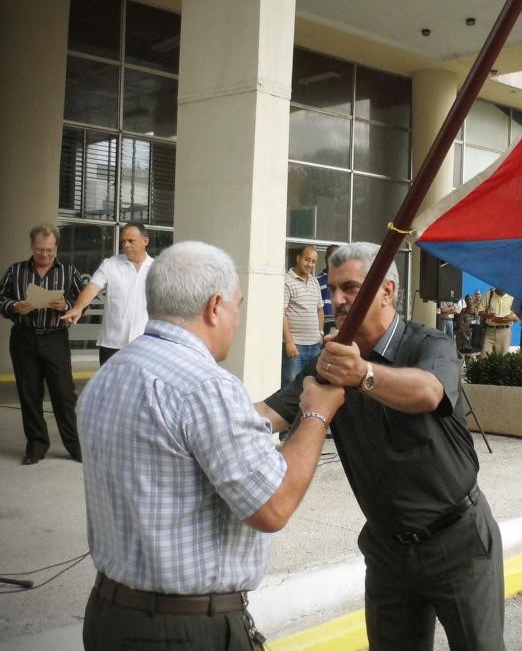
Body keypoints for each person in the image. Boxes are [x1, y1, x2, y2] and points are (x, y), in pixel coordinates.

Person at [78, 241, 346, 651]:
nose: (237, 320)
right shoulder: (207, 386)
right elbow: (272, 506)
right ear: (215, 306)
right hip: (184, 630)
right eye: (237, 306)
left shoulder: (112, 373)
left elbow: (189, 440)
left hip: (108, 616)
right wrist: (316, 415)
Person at [257, 242, 505, 651]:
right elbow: (266, 414)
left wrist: (363, 375)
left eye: (351, 287)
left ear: (387, 291)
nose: (337, 299)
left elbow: (430, 392)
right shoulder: (330, 365)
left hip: (458, 542)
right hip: (388, 551)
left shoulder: (428, 345)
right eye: (333, 288)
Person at [0, 223, 83, 465]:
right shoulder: (16, 271)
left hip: (55, 337)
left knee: (64, 394)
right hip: (24, 338)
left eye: (49, 250)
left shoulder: (69, 271)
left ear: (57, 246)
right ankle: (36, 445)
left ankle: (74, 445)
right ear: (31, 246)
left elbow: (82, 300)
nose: (44, 255)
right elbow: (1, 297)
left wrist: (67, 305)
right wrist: (14, 306)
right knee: (29, 393)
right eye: (39, 250)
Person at [61, 222, 154, 364]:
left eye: (131, 241)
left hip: (145, 345)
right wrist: (78, 307)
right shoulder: (110, 264)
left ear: (145, 241)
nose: (126, 245)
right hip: (112, 344)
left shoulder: (158, 268)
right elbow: (92, 287)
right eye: (123, 241)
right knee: (110, 386)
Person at [283, 245, 324, 386]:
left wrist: (321, 333)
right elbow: (282, 314)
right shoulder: (286, 282)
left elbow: (319, 310)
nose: (310, 264)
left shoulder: (315, 282)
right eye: (307, 259)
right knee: (291, 385)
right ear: (298, 258)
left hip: (315, 346)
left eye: (313, 261)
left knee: (313, 386)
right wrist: (289, 342)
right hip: (296, 347)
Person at [480, 287, 517, 355]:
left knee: (502, 357)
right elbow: (480, 311)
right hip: (489, 330)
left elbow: (516, 317)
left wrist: (510, 318)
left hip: (505, 331)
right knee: (484, 356)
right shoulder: (488, 294)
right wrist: (489, 315)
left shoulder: (513, 297)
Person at [317, 243, 340, 335]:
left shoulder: (345, 280)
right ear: (325, 257)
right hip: (320, 326)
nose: (331, 258)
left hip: (338, 324)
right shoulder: (316, 280)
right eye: (329, 254)